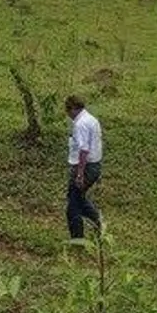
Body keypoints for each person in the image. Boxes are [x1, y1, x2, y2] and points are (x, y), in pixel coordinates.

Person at [64, 94, 103, 242]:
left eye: (68, 112)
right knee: (78, 199)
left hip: (85, 167)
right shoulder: (91, 119)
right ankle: (98, 223)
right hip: (94, 166)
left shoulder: (81, 124)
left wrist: (80, 174)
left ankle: (77, 241)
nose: (68, 115)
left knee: (72, 207)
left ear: (73, 109)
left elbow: (84, 150)